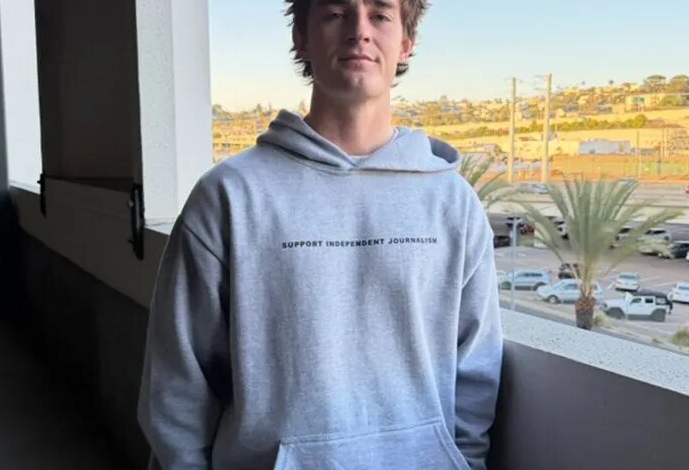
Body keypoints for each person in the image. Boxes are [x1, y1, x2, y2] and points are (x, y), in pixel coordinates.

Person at [137, 1, 503, 469]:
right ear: (302, 39)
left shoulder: (453, 203)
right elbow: (177, 381)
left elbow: (476, 368)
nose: (359, 31)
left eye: (381, 15)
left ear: (406, 43)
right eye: (336, 12)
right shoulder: (229, 197)